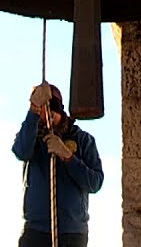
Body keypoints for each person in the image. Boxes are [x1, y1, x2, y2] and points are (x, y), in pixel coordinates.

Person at [12, 83, 104, 247]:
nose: (47, 112)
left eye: (50, 105)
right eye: (41, 106)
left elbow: (95, 182)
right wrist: (33, 111)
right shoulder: (32, 137)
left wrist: (68, 156)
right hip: (36, 231)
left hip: (71, 233)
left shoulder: (83, 140)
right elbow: (20, 151)